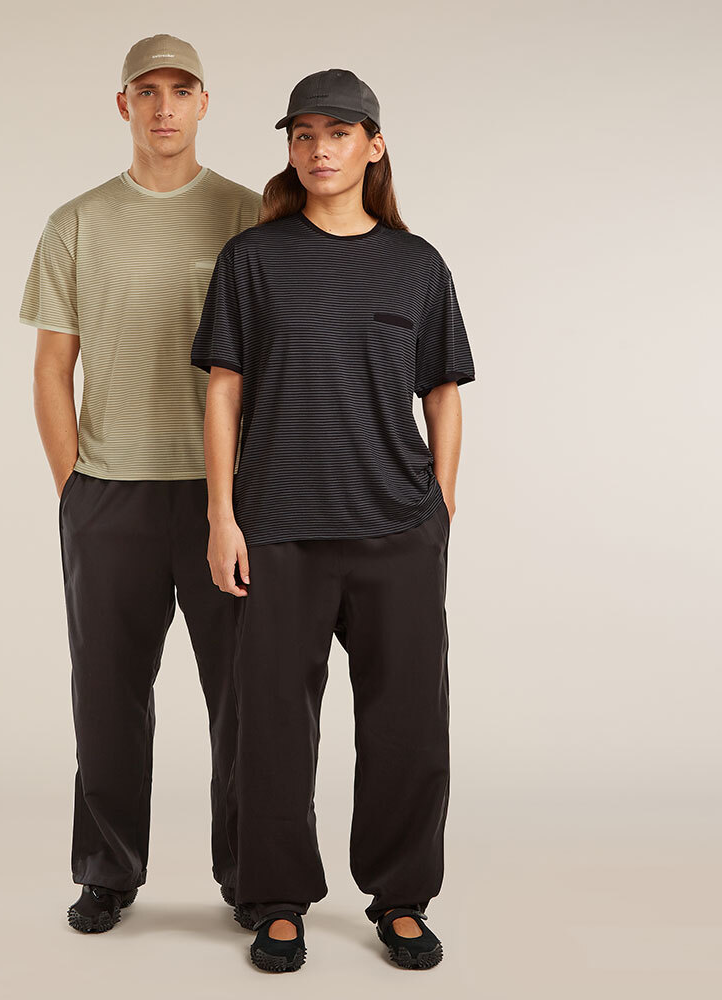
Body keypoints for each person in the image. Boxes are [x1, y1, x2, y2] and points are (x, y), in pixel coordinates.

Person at [191, 68, 476, 972]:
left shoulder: (417, 265)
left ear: (374, 146)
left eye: (340, 133)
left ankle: (402, 898)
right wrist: (221, 517)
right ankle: (276, 900)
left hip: (397, 530)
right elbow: (224, 392)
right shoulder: (253, 260)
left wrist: (441, 502)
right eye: (304, 134)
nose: (319, 149)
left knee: (407, 724)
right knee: (273, 728)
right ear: (290, 148)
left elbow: (442, 390)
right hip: (278, 529)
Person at [18, 34, 261, 934]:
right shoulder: (75, 223)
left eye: (181, 90)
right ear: (123, 104)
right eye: (147, 91)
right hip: (110, 496)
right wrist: (75, 489)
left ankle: (254, 874)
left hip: (226, 500)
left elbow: (275, 361)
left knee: (247, 697)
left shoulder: (249, 215)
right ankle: (107, 872)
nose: (164, 107)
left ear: (205, 102)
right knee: (107, 696)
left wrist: (247, 494)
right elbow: (53, 369)